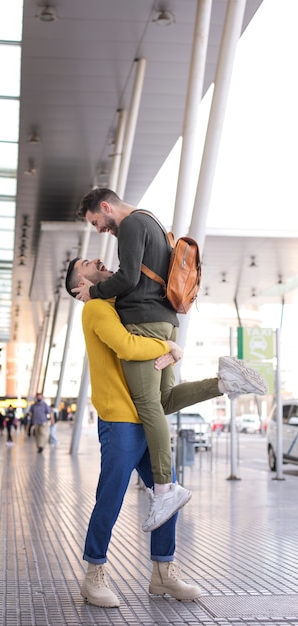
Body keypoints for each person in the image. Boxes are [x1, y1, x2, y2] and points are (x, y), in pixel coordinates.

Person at [65, 257, 268, 607]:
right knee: (110, 497)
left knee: (167, 494)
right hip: (120, 419)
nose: (97, 260)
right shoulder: (95, 309)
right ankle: (94, 573)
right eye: (87, 263)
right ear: (79, 285)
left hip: (146, 414)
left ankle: (163, 573)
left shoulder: (120, 303)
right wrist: (169, 347)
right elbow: (128, 347)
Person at [72, 188, 267, 532]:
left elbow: (129, 278)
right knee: (163, 400)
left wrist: (93, 292)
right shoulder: (153, 223)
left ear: (105, 207)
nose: (100, 229)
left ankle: (164, 488)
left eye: (96, 222)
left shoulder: (131, 225)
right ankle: (224, 382)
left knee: (148, 406)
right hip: (166, 323)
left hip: (145, 325)